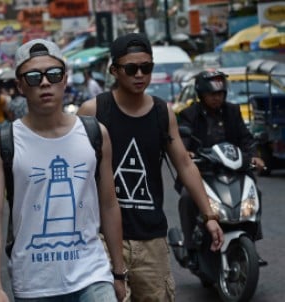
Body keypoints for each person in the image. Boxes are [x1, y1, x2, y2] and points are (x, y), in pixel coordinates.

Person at [77, 33, 224, 301]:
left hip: (151, 239)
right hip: (101, 238)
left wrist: (210, 216)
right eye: (131, 68)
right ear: (114, 71)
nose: (140, 74)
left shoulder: (161, 112)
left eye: (147, 67)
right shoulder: (93, 111)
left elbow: (184, 164)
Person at [0, 39, 127, 302]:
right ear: (20, 86)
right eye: (34, 77)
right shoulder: (2, 143)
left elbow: (108, 203)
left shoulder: (94, 133)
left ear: (64, 79)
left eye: (53, 74)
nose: (45, 83)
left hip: (92, 274)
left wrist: (118, 272)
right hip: (34, 283)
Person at [178, 70, 266, 265]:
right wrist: (187, 154)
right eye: (212, 94)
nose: (217, 98)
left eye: (220, 94)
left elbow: (246, 139)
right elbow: (181, 143)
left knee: (255, 193)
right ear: (201, 95)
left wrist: (255, 156)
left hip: (233, 171)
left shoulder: (233, 111)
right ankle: (190, 248)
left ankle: (251, 243)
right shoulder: (189, 114)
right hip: (202, 173)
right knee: (186, 197)